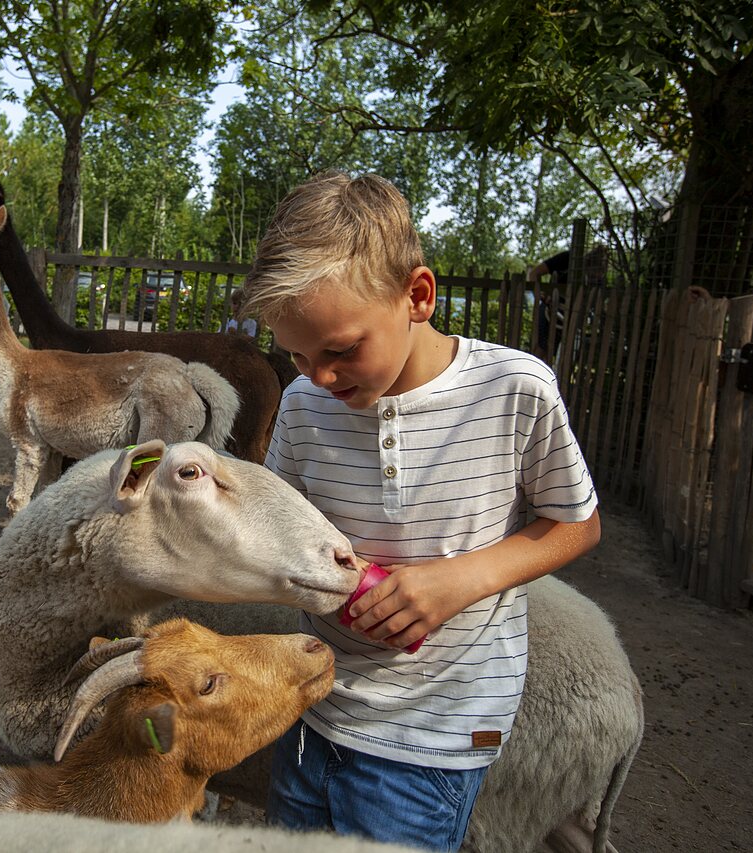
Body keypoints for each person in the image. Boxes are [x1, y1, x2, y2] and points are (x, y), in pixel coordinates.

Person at [239, 172, 601, 852]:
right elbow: (278, 520)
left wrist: (455, 580)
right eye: (296, 354)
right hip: (311, 706)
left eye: (341, 350)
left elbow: (576, 522)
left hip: (428, 738)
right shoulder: (305, 405)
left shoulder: (514, 389)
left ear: (418, 296)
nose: (318, 375)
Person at [525, 244, 608, 362]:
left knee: (565, 356)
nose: (595, 277)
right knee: (541, 350)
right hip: (549, 311)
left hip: (573, 320)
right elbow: (534, 273)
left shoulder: (600, 281)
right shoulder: (567, 259)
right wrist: (542, 296)